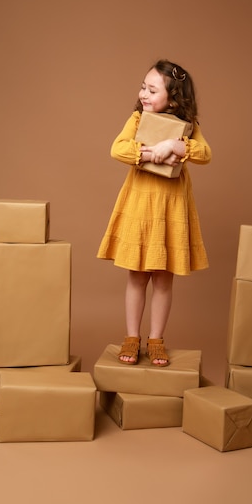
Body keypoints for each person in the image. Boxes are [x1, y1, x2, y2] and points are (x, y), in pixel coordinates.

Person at [97, 59, 211, 367]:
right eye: (143, 87)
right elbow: (117, 148)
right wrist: (150, 152)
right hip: (140, 204)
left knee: (163, 277)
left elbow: (205, 154)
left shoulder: (186, 127)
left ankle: (156, 339)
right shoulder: (137, 119)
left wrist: (175, 145)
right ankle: (132, 337)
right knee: (137, 274)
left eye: (152, 89)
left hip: (170, 205)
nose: (144, 94)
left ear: (173, 98)